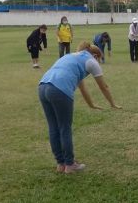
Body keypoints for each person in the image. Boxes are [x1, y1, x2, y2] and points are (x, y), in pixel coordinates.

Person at [38, 42, 122, 173]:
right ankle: (70, 165)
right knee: (64, 127)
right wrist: (112, 104)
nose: (98, 63)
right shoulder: (91, 62)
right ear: (95, 55)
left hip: (43, 86)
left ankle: (61, 164)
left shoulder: (72, 57)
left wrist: (91, 104)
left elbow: (82, 87)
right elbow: (103, 87)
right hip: (60, 89)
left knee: (54, 127)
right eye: (99, 59)